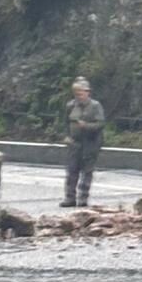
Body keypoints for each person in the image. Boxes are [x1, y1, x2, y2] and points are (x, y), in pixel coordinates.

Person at [63, 76, 105, 208]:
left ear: (87, 92)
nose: (78, 96)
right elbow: (65, 122)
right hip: (74, 143)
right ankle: (70, 198)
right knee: (71, 171)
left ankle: (83, 198)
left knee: (87, 172)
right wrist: (66, 136)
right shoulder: (70, 106)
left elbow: (100, 124)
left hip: (90, 143)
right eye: (76, 94)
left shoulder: (95, 106)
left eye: (81, 93)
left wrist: (86, 126)